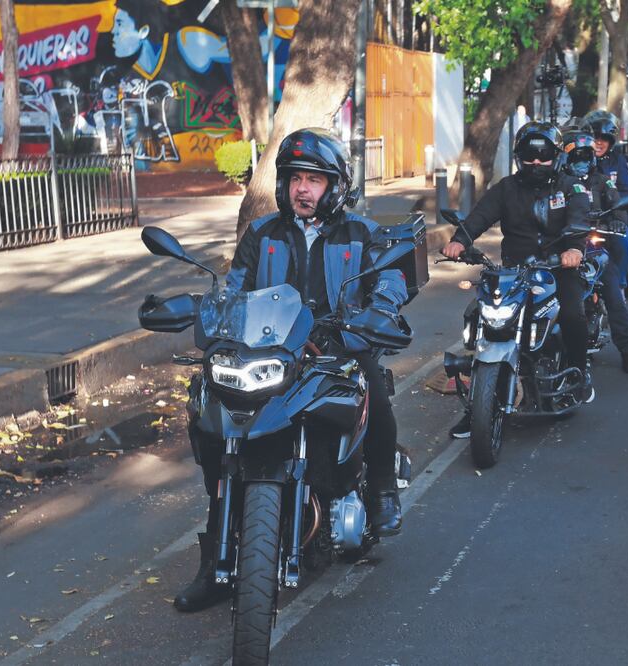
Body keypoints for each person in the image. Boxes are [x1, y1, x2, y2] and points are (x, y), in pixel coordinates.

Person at [174, 128, 408, 612]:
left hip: (339, 347)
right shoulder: (262, 233)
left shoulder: (359, 233)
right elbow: (233, 289)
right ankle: (216, 564)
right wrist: (210, 319)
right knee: (214, 423)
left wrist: (380, 309)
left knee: (376, 397)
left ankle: (382, 489)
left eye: (314, 180)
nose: (303, 189)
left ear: (336, 186)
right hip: (270, 351)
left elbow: (389, 278)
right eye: (295, 178)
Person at [444, 122, 594, 439]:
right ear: (519, 157)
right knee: (478, 316)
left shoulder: (572, 187)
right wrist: (460, 240)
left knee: (572, 315)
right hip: (514, 271)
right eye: (529, 155)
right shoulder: (506, 188)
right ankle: (475, 409)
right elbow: (480, 216)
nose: (536, 162)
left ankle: (580, 372)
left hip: (558, 270)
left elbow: (580, 219)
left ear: (556, 156)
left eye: (543, 156)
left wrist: (573, 249)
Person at [561, 122, 628, 374]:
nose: (582, 160)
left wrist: (617, 221)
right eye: (577, 156)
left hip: (595, 249)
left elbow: (618, 204)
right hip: (563, 251)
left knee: (615, 297)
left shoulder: (604, 181)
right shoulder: (559, 183)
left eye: (586, 156)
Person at [585, 110, 628, 288]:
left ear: (611, 142)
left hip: (613, 218)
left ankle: (619, 285)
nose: (599, 143)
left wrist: (616, 213)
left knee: (623, 240)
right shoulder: (575, 159)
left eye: (605, 138)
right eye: (595, 137)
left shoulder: (617, 161)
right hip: (580, 217)